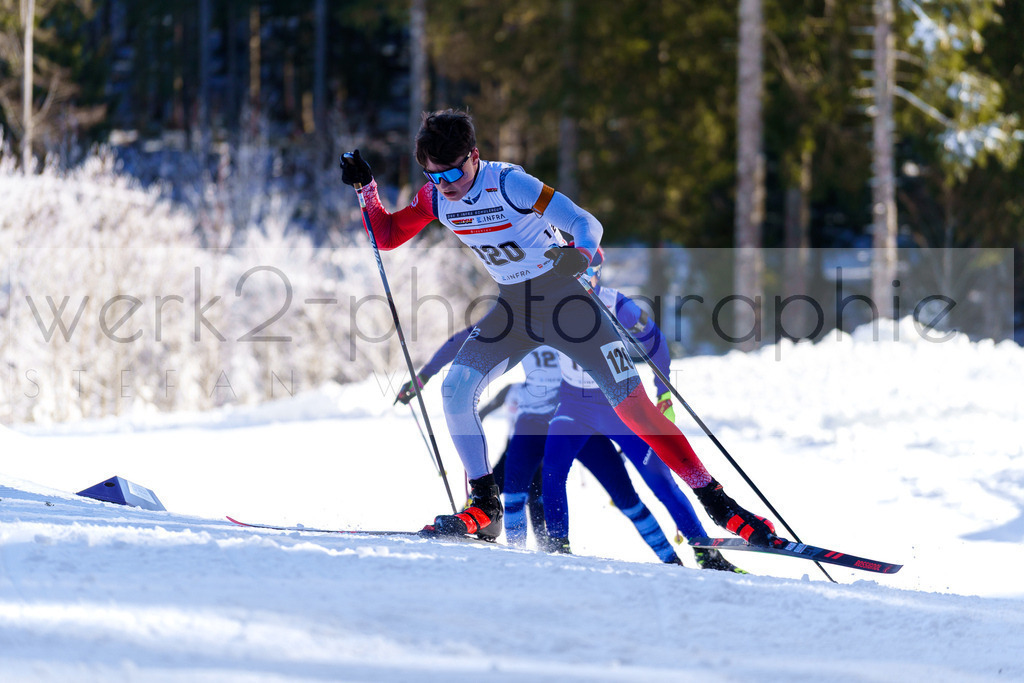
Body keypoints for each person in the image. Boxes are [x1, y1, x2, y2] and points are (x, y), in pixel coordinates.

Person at [340, 108, 777, 548]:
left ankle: (718, 504)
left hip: (568, 305)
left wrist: (582, 255)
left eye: (453, 172)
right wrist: (367, 188)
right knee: (455, 390)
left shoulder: (511, 184)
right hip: (514, 310)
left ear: (475, 155)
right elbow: (388, 235)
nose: (445, 185)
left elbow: (587, 224)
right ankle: (485, 506)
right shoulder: (435, 197)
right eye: (434, 176)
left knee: (633, 406)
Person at [399, 334, 691, 566]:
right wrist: (425, 375)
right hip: (535, 423)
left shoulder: (576, 314)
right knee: (513, 491)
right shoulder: (521, 317)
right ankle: (517, 556)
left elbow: (623, 349)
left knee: (626, 498)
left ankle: (671, 561)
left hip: (579, 419)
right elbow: (462, 340)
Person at [538, 250, 743, 572]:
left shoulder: (615, 303)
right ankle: (557, 546)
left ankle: (707, 554)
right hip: (574, 404)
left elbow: (656, 343)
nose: (579, 278)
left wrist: (663, 393)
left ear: (597, 271)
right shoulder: (550, 303)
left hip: (619, 403)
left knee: (662, 483)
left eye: (587, 271)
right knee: (552, 468)